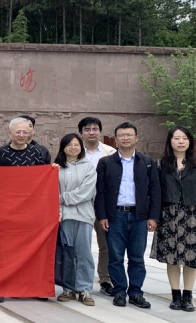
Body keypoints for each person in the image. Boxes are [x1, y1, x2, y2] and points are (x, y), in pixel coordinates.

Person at [95, 122, 161, 308]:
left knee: (137, 257)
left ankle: (136, 292)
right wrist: (102, 216)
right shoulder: (106, 163)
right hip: (115, 215)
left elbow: (155, 191)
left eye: (129, 135)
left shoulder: (147, 162)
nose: (125, 138)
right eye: (121, 135)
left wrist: (153, 217)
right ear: (115, 139)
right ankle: (119, 291)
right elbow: (100, 192)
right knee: (115, 257)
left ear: (136, 138)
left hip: (139, 216)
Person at [151, 126, 196, 312]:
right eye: (176, 138)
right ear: (170, 141)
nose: (180, 141)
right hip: (168, 215)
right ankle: (175, 295)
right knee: (171, 257)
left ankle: (188, 296)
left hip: (192, 216)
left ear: (190, 141)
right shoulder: (160, 165)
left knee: (191, 258)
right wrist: (153, 217)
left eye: (184, 138)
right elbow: (155, 193)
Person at [54, 134, 97, 306]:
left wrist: (62, 198)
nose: (73, 148)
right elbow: (51, 190)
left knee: (84, 253)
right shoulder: (57, 168)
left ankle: (85, 289)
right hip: (64, 216)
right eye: (69, 145)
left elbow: (86, 192)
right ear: (63, 147)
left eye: (76, 145)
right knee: (68, 253)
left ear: (81, 147)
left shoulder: (88, 167)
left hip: (83, 215)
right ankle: (68, 288)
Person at [79, 116, 117, 297]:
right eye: (87, 129)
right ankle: (79, 281)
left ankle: (105, 280)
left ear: (100, 132)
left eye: (95, 129)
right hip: (81, 205)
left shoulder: (110, 152)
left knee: (106, 245)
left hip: (104, 206)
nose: (91, 132)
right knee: (81, 245)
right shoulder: (74, 151)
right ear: (81, 132)